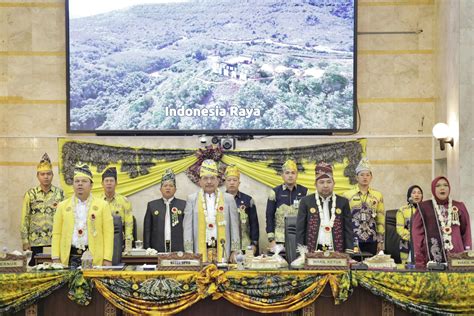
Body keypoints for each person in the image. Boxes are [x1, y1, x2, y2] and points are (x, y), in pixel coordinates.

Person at [51, 163, 114, 267]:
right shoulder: (62, 206)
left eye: (84, 181)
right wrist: (55, 257)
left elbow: (108, 234)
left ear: (91, 185)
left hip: (94, 257)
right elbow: (56, 233)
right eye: (77, 181)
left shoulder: (103, 205)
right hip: (68, 257)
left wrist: (107, 258)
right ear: (73, 185)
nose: (80, 184)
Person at [183, 159, 240, 263]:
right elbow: (187, 227)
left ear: (218, 181)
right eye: (205, 178)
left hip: (223, 251)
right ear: (200, 181)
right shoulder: (192, 199)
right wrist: (188, 251)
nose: (209, 182)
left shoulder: (228, 199)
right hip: (199, 252)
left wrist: (235, 251)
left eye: (212, 178)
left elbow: (234, 226)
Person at [412, 176, 472, 267]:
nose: (442, 188)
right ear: (433, 189)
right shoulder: (423, 208)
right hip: (432, 261)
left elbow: (466, 232)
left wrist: (468, 254)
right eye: (438, 186)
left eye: (445, 185)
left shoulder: (459, 206)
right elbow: (417, 236)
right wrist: (420, 259)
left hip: (458, 260)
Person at [296, 162, 353, 253]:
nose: (325, 185)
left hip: (337, 251)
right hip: (312, 251)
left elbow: (348, 230)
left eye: (329, 182)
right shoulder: (306, 202)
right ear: (315, 184)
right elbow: (300, 230)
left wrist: (349, 251)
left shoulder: (343, 202)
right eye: (321, 182)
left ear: (334, 183)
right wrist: (300, 253)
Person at [20, 153, 64, 266]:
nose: (46, 176)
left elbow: (66, 218)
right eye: (42, 174)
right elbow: (25, 218)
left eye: (48, 174)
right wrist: (25, 241)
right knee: (35, 272)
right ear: (38, 176)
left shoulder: (60, 194)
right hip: (35, 242)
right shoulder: (30, 194)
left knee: (56, 271)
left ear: (52, 175)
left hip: (55, 241)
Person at [343, 158, 385, 256]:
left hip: (372, 239)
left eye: (367, 175)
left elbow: (380, 219)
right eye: (362, 175)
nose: (365, 177)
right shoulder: (347, 195)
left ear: (371, 177)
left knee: (371, 266)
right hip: (352, 238)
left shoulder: (377, 195)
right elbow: (343, 220)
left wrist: (380, 241)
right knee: (353, 265)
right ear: (356, 177)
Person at [266, 159, 308, 251]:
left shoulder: (305, 192)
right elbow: (269, 216)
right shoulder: (274, 192)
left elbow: (308, 218)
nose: (290, 176)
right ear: (282, 175)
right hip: (279, 239)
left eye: (293, 173)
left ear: (297, 175)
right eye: (287, 173)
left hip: (300, 238)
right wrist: (271, 239)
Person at [143, 169, 186, 252]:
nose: (168, 188)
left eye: (171, 186)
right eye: (165, 186)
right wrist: (147, 249)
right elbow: (147, 230)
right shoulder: (152, 205)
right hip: (157, 249)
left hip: (178, 248)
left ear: (175, 189)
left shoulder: (183, 205)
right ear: (160, 189)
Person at [224, 165, 259, 254]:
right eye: (229, 180)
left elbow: (254, 224)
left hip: (245, 245)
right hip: (225, 245)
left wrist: (254, 244)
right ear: (225, 182)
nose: (232, 183)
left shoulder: (248, 200)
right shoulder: (219, 200)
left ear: (239, 182)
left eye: (235, 180)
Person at [101, 167, 134, 250]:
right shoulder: (97, 202)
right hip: (101, 240)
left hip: (119, 241)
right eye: (106, 181)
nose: (109, 183)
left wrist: (128, 245)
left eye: (111, 181)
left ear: (116, 183)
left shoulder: (124, 201)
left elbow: (128, 224)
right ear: (102, 183)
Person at [396, 185, 423, 264]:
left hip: (422, 243)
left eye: (419, 193)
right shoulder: (402, 210)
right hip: (407, 243)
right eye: (414, 193)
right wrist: (413, 237)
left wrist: (421, 239)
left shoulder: (426, 209)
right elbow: (400, 229)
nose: (417, 195)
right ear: (409, 196)